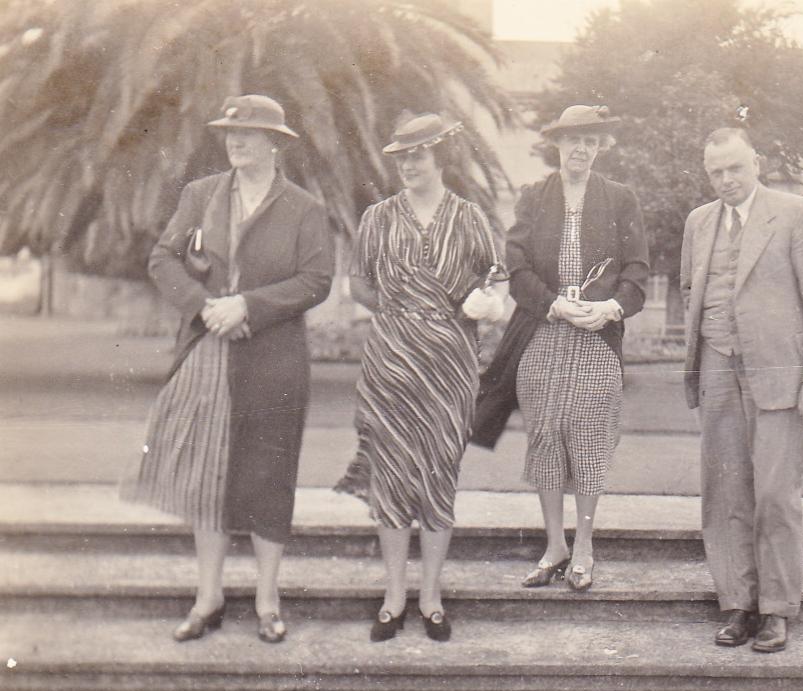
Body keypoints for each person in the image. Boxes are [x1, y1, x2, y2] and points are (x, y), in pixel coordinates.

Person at [123, 94, 334, 643]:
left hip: (273, 360)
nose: (236, 142)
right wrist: (205, 306)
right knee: (207, 475)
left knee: (270, 475)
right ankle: (208, 597)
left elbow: (317, 280)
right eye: (230, 133)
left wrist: (250, 306)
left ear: (275, 142)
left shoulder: (304, 209)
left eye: (249, 133)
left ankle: (267, 599)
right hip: (208, 350)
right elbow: (162, 258)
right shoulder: (201, 196)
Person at [333, 113, 506, 643]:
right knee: (390, 475)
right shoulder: (379, 218)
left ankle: (430, 596)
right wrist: (399, 308)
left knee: (436, 475)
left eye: (419, 155)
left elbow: (494, 277)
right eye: (402, 157)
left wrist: (488, 300)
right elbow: (358, 283)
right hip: (392, 361)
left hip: (451, 364)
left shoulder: (470, 217)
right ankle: (393, 595)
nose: (409, 165)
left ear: (440, 158)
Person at [475, 105, 649, 592]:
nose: (581, 149)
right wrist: (553, 305)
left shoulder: (620, 199)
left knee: (589, 435)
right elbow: (518, 268)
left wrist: (610, 308)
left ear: (600, 147)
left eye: (590, 141)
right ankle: (555, 546)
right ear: (557, 144)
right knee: (546, 435)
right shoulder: (534, 198)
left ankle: (586, 548)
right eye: (573, 140)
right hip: (543, 334)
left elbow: (637, 274)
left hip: (597, 336)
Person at [680, 127, 803, 653]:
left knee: (775, 494)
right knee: (725, 492)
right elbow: (691, 291)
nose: (726, 180)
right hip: (717, 369)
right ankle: (737, 604)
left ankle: (776, 610)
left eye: (735, 169)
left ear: (757, 163)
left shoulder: (795, 213)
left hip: (780, 374)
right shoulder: (698, 222)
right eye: (716, 171)